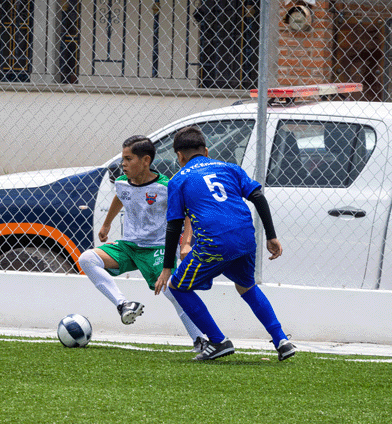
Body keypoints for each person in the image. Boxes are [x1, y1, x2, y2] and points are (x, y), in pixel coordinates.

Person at [154, 126, 296, 361]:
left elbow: (174, 225)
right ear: (206, 151)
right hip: (245, 240)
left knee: (177, 286)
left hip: (214, 244)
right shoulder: (229, 167)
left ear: (179, 156)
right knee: (246, 285)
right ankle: (281, 339)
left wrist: (167, 268)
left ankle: (218, 341)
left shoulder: (178, 180)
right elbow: (258, 196)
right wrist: (271, 236)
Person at [78, 135, 205, 352]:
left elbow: (187, 212)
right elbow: (121, 196)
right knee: (87, 258)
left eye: (128, 159)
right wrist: (106, 224)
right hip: (128, 247)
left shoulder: (167, 186)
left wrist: (186, 242)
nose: (123, 164)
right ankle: (124, 304)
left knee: (171, 291)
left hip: (158, 248)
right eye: (122, 159)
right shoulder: (121, 183)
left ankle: (201, 340)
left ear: (146, 161)